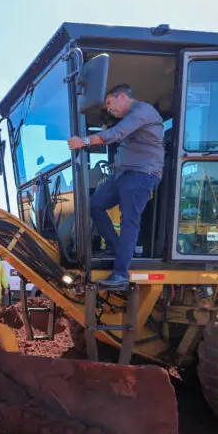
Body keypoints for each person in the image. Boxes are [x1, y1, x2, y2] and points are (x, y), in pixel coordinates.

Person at [68, 83, 164, 288]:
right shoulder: (132, 117)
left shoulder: (142, 111)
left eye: (110, 103)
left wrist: (84, 141)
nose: (109, 109)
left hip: (142, 174)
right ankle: (114, 246)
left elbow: (118, 133)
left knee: (129, 219)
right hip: (123, 173)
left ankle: (120, 274)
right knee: (96, 204)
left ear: (121, 96)